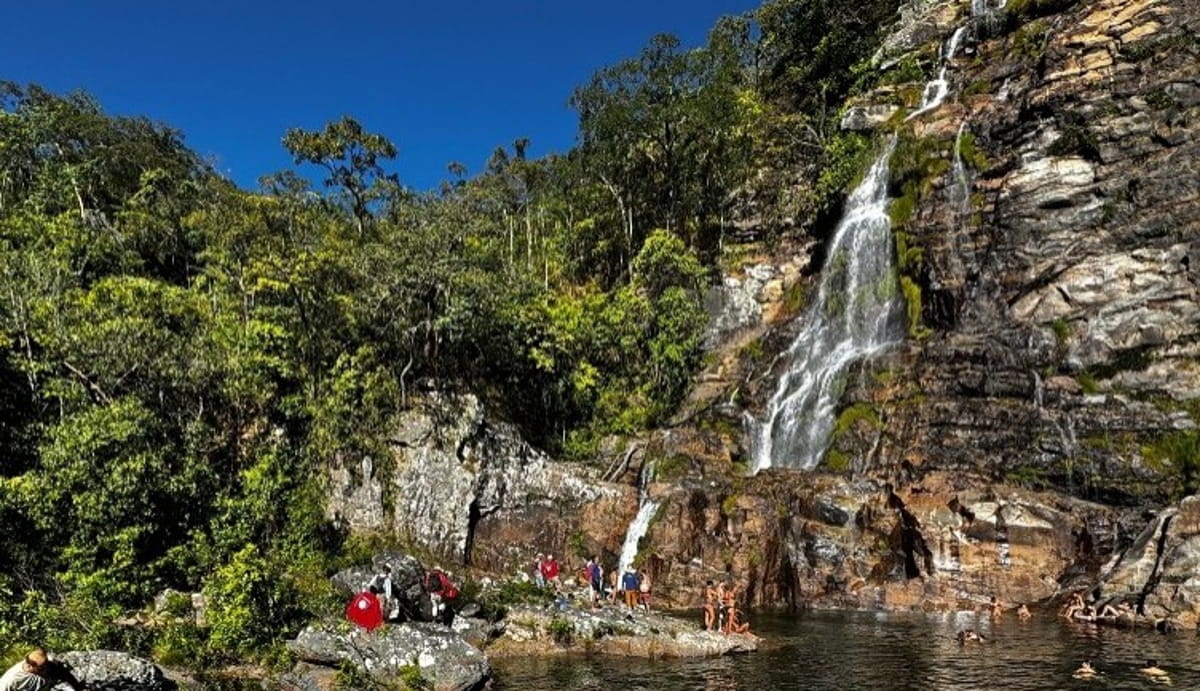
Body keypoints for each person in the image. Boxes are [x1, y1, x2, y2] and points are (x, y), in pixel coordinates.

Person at [0, 648, 88, 691]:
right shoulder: (11, 680)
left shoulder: (47, 664)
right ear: (30, 666)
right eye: (42, 668)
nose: (46, 668)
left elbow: (63, 673)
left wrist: (78, 688)